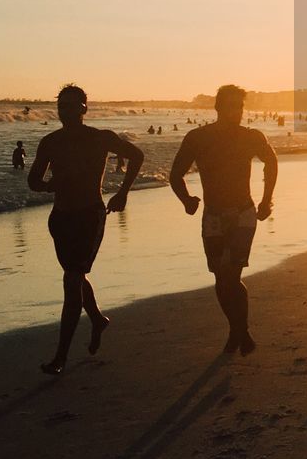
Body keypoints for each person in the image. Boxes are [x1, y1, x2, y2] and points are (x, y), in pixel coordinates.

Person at [28, 85, 144, 375]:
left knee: (71, 280)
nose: (65, 111)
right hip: (60, 218)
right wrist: (51, 185)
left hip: (90, 216)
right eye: (61, 106)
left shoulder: (99, 138)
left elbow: (137, 155)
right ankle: (97, 319)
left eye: (71, 106)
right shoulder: (50, 142)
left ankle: (60, 357)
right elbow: (33, 181)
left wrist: (123, 193)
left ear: (84, 108)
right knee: (75, 276)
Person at [169, 84, 278, 356]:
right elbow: (175, 173)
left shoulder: (251, 136)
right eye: (230, 105)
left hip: (243, 213)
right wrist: (186, 200)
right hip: (213, 216)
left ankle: (241, 332)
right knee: (220, 276)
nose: (236, 111)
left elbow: (271, 161)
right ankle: (237, 330)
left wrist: (267, 200)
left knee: (231, 273)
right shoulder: (198, 138)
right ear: (217, 108)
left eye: (239, 106)